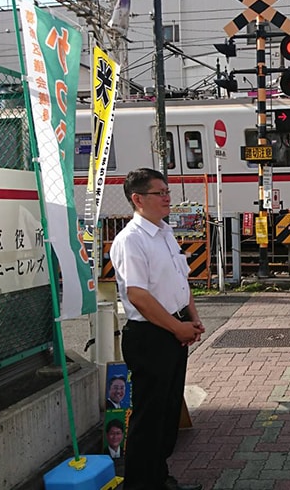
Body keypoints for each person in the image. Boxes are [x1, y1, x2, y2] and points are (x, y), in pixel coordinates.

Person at [110, 167, 205, 490]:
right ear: (137, 199)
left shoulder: (164, 232)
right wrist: (177, 328)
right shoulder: (131, 241)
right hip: (151, 335)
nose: (167, 198)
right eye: (159, 193)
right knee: (149, 418)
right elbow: (138, 295)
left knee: (166, 415)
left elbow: (181, 279)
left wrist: (191, 317)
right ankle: (139, 484)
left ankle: (159, 478)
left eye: (167, 192)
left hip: (173, 328)